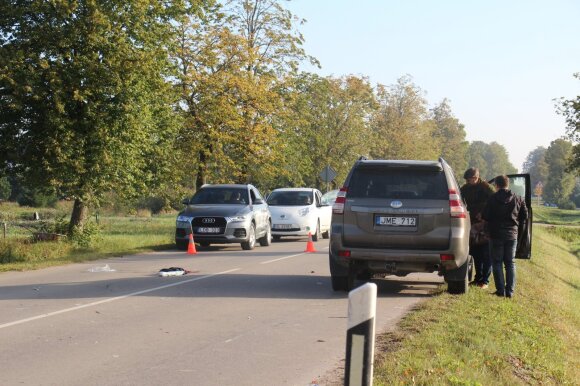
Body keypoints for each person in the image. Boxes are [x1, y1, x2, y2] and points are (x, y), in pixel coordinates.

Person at [482, 175, 528, 298]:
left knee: (496, 262)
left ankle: (500, 290)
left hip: (495, 234)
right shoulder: (518, 198)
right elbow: (524, 216)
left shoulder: (492, 199)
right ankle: (510, 292)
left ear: (496, 185)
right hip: (512, 235)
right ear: (508, 184)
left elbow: (485, 216)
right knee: (510, 263)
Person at [460, 167, 495, 289]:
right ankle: (477, 278)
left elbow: (494, 201)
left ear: (476, 177)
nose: (468, 181)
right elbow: (459, 201)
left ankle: (485, 280)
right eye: (467, 180)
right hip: (471, 223)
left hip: (484, 223)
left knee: (486, 253)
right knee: (475, 253)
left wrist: (484, 213)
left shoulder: (486, 187)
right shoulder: (465, 189)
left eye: (470, 179)